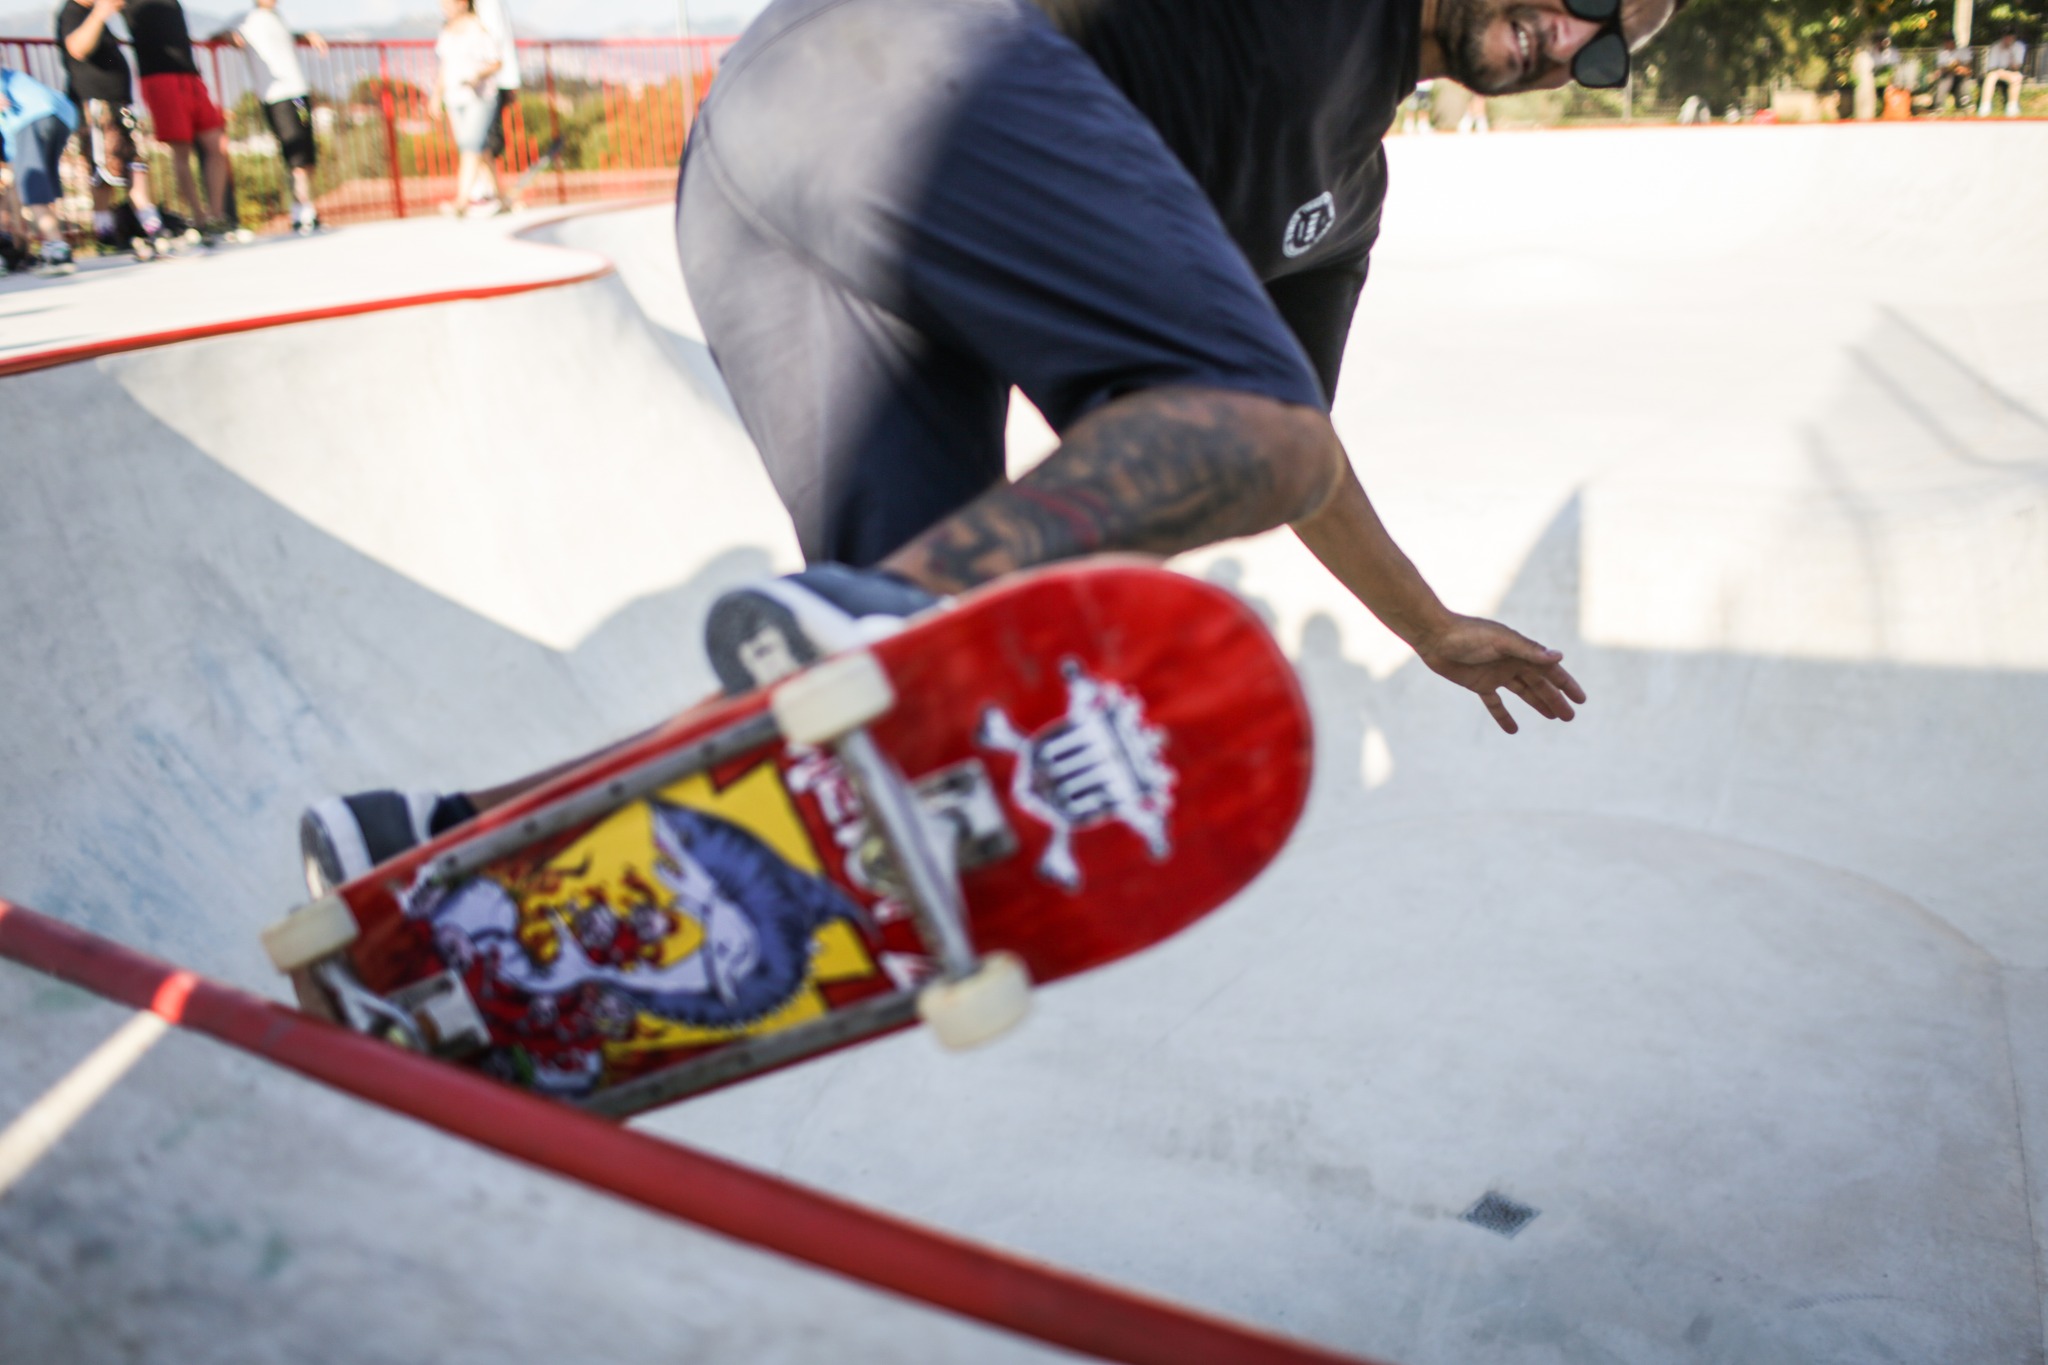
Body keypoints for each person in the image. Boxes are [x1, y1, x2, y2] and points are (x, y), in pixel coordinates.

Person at [301, 0, 1671, 887]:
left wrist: (1424, 623)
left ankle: (444, 853)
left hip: (781, 198)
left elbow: (1280, 445)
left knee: (904, 704)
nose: (1570, 35)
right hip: (896, 60)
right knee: (964, 611)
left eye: (1608, 47)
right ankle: (891, 611)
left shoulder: (1345, 200)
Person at [55, 0, 167, 258]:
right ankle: (105, 234)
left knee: (136, 167)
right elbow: (77, 47)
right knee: (104, 172)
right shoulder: (71, 12)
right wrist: (100, 12)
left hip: (120, 104)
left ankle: (152, 227)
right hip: (96, 104)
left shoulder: (92, 14)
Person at [214, 0, 328, 234]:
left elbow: (287, 37)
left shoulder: (278, 17)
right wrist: (230, 37)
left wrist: (307, 35)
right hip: (275, 96)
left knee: (306, 155)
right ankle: (302, 211)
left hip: (299, 92)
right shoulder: (244, 19)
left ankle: (304, 207)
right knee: (294, 155)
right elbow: (219, 34)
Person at [126, 0, 231, 240]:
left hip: (190, 76)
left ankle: (216, 215)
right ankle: (199, 217)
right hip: (159, 78)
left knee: (218, 146)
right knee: (181, 152)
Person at [0, 65, 80, 274]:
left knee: (32, 184)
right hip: (61, 115)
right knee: (41, 184)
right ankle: (51, 244)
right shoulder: (13, 76)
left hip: (30, 118)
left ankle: (57, 250)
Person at [431, 0, 503, 217]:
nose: (443, 5)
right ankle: (501, 197)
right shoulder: (447, 31)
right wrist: (436, 95)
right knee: (478, 147)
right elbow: (445, 67)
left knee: (470, 144)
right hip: (455, 97)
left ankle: (462, 201)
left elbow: (497, 62)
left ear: (463, 3)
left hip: (480, 95)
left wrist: (477, 76)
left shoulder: (478, 28)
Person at [470, 0, 519, 213]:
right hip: (478, 84)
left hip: (490, 83)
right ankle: (486, 191)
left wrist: (510, 81)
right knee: (476, 139)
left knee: (485, 140)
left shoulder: (489, 5)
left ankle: (489, 193)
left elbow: (499, 42)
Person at [1979, 30, 2027, 118]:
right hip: (1997, 72)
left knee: (2017, 77)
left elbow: (2017, 66)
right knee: (1991, 77)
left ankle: (2012, 106)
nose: (2007, 39)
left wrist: (2010, 53)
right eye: (2006, 36)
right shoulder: (1996, 47)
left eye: (2010, 36)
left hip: (2011, 72)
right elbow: (1992, 67)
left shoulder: (2019, 47)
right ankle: (1985, 106)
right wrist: (2001, 72)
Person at [1933, 38, 1974, 114]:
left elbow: (1969, 71)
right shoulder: (1942, 53)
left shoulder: (1962, 51)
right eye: (1946, 42)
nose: (1947, 44)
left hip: (1960, 79)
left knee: (1963, 83)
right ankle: (1939, 106)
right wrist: (1950, 68)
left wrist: (1961, 69)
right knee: (1945, 81)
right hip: (1947, 78)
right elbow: (1940, 70)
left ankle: (1966, 104)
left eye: (1949, 42)